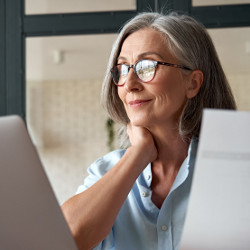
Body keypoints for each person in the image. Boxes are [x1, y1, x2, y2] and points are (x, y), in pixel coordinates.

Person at [62, 11, 236, 250]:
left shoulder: (235, 170)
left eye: (147, 66)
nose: (130, 84)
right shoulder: (105, 171)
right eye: (122, 69)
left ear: (192, 83)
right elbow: (63, 239)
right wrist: (138, 153)